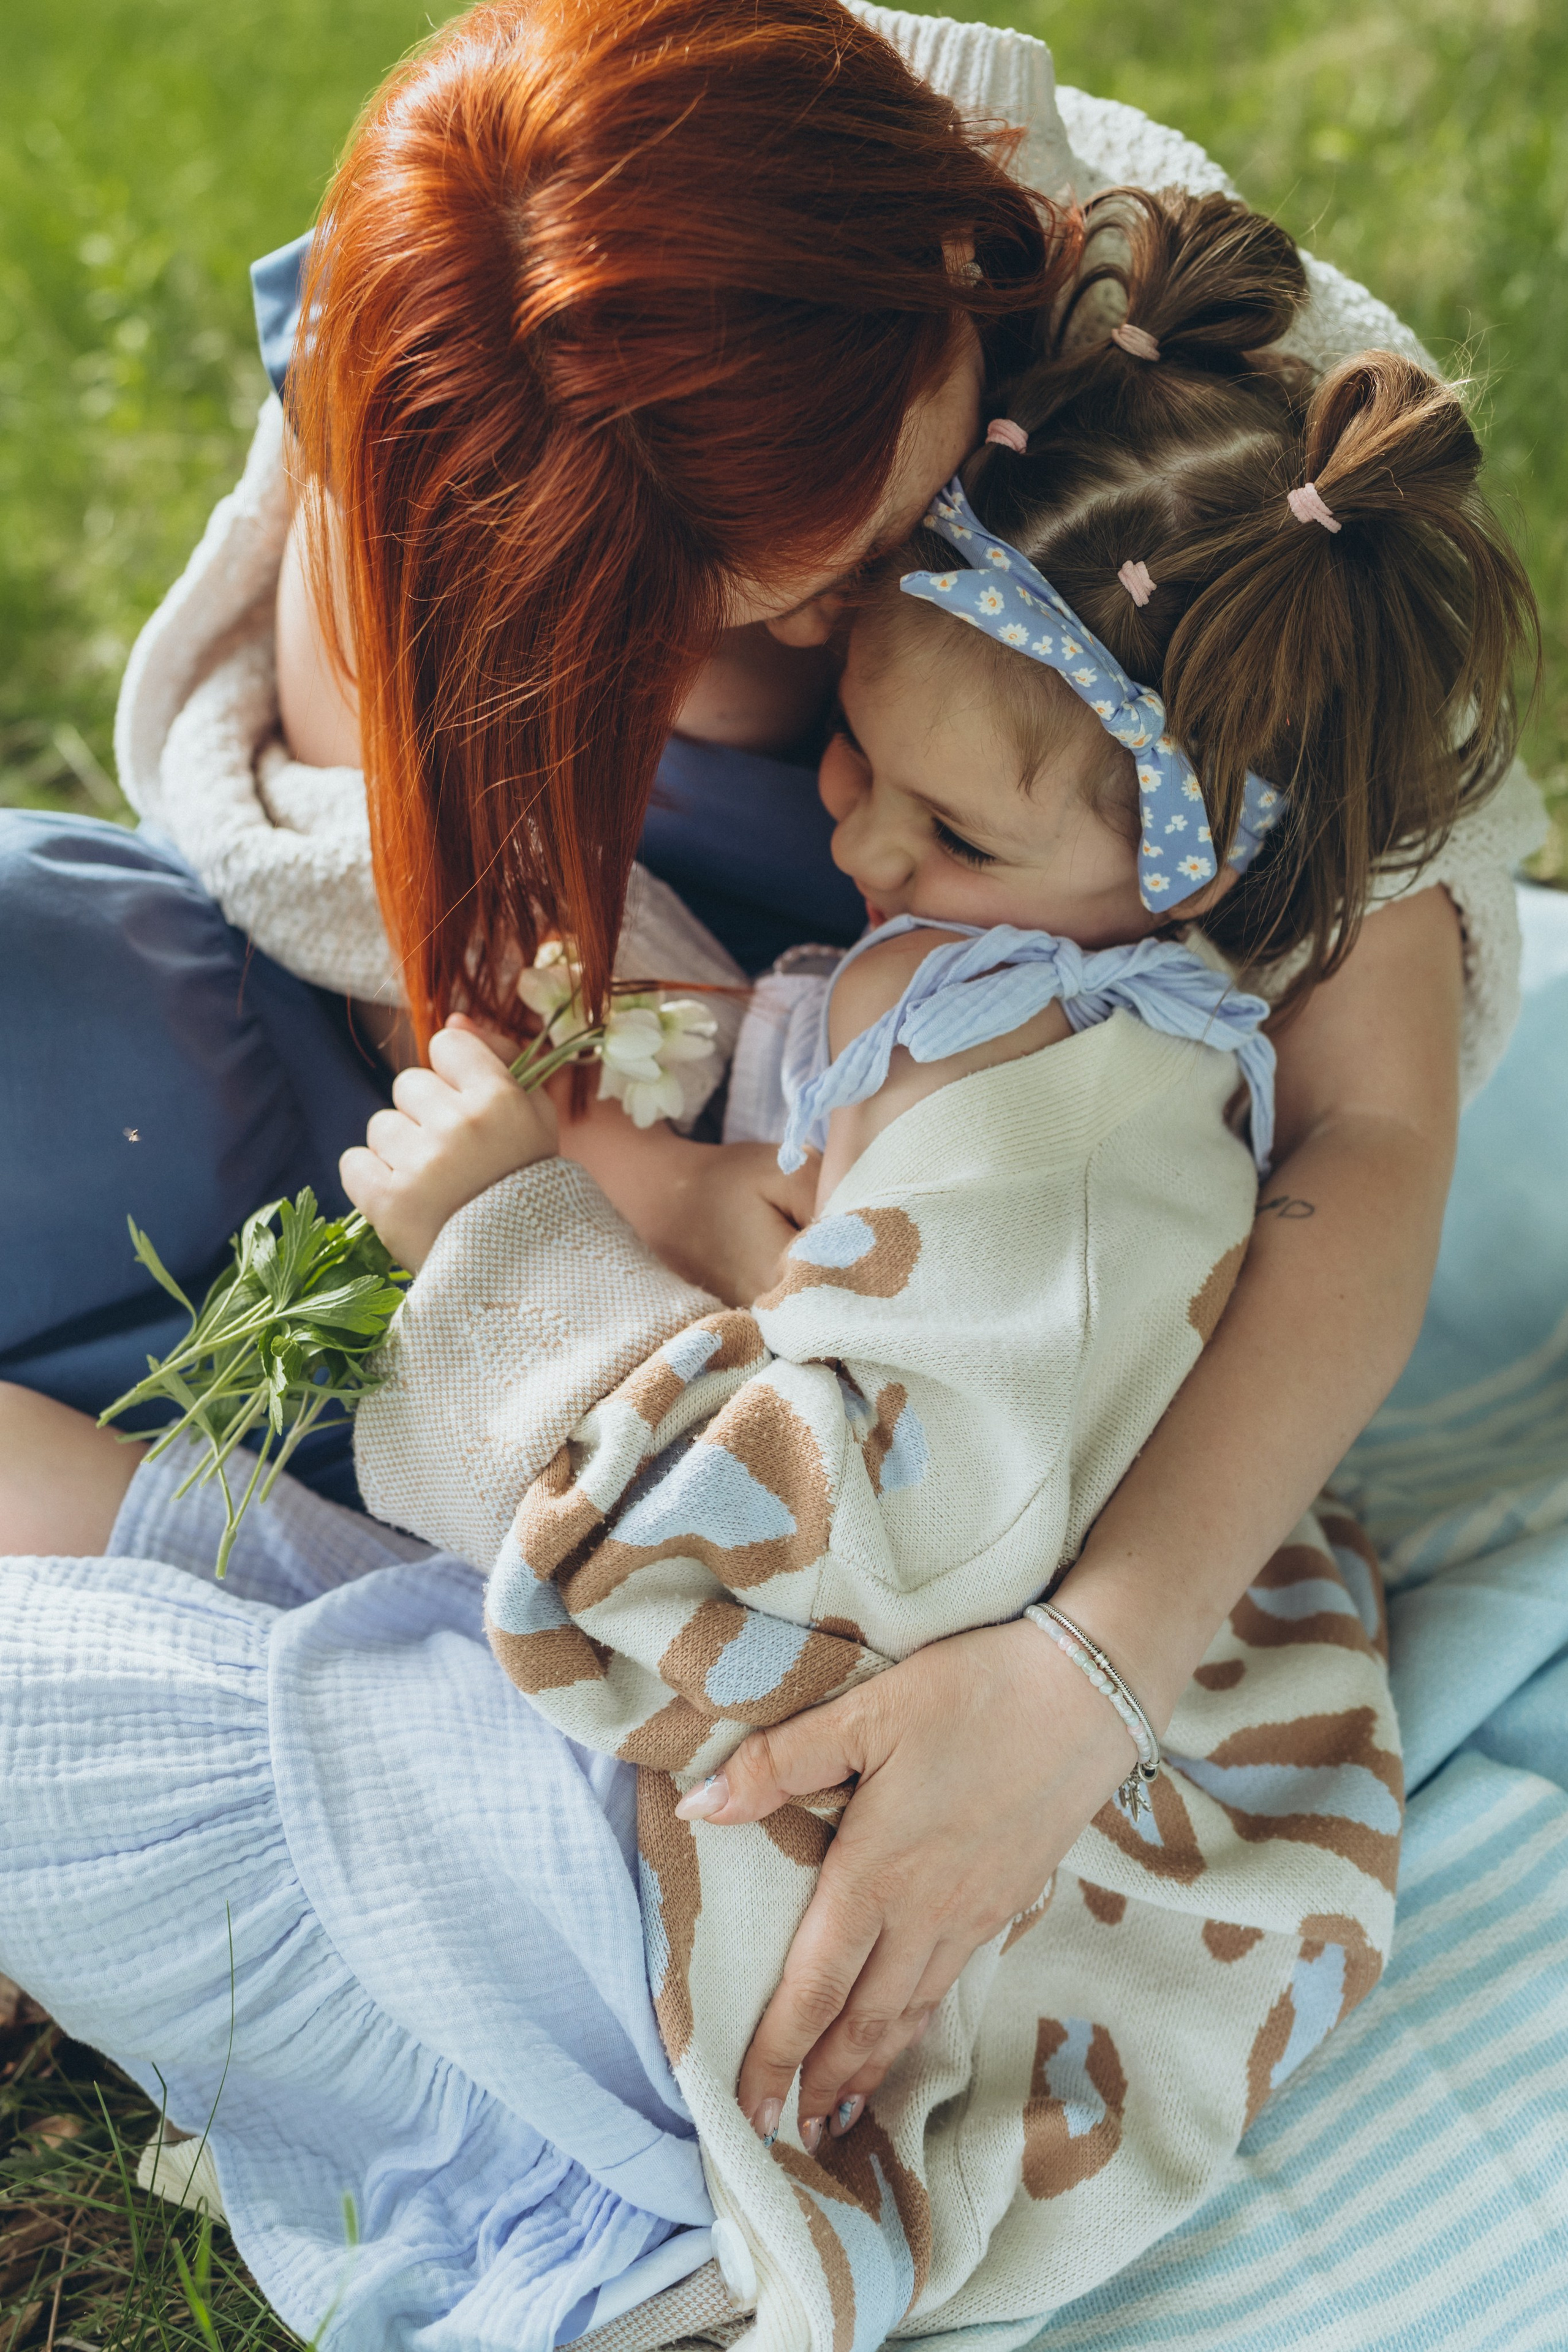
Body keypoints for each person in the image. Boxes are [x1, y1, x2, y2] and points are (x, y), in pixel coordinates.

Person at [0, 1, 1547, 2339]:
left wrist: (1085, 1680)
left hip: (745, 1256)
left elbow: (1371, 1127)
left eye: (832, 585)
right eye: (711, 621)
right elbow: (390, 882)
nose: (806, 652)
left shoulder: (1198, 516)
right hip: (515, 1111)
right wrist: (604, 1137)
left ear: (969, 282)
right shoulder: (479, 336)